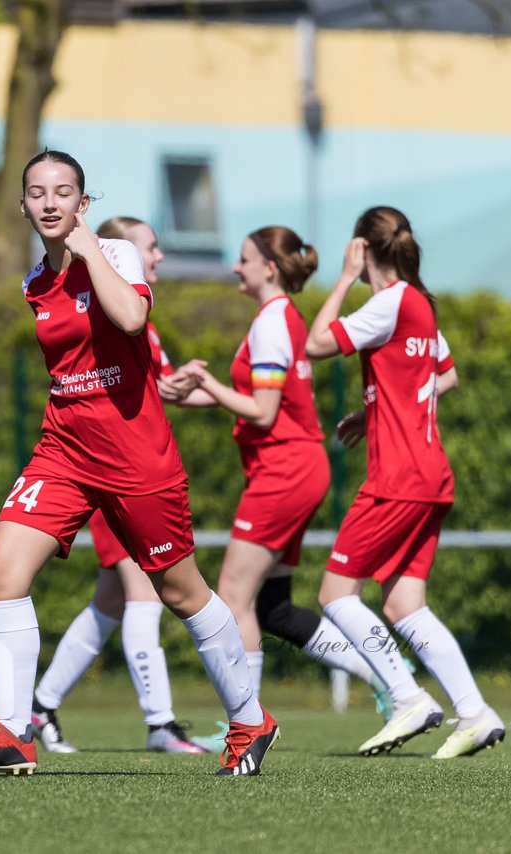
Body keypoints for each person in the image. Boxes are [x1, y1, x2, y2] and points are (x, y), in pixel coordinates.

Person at [0, 150, 277, 778]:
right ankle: (15, 736)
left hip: (135, 455)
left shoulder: (115, 255)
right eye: (37, 193)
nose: (49, 202)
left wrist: (89, 247)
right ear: (22, 207)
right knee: (2, 571)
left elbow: (130, 317)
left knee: (182, 593)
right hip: (63, 449)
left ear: (82, 203)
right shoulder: (32, 282)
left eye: (64, 192)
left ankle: (250, 719)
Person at [158, 226, 396, 745]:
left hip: (283, 472)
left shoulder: (271, 323)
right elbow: (249, 399)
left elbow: (261, 412)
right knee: (274, 609)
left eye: (243, 260)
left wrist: (209, 385)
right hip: (297, 467)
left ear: (269, 268)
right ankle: (386, 678)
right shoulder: (282, 319)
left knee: (233, 597)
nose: (235, 268)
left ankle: (247, 725)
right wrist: (173, 392)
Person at [304, 205, 504, 758]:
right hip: (431, 475)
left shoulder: (387, 302)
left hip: (398, 479)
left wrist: (345, 278)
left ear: (365, 250)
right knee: (403, 604)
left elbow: (316, 344)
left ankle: (406, 695)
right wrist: (376, 415)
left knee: (334, 592)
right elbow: (446, 374)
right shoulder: (419, 304)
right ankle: (475, 712)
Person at [30, 216, 206, 756]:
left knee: (109, 602)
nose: (155, 256)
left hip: (128, 460)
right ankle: (160, 722)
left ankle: (40, 707)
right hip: (108, 467)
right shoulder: (106, 297)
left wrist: (232, 397)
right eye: (149, 246)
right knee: (144, 594)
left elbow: (158, 387)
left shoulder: (138, 311)